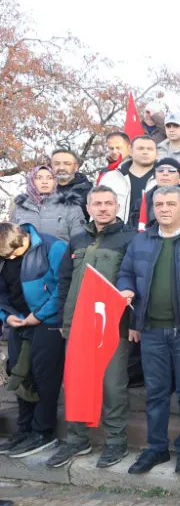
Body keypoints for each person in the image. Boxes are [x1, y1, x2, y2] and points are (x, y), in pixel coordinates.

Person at [116, 186, 180, 475]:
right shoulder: (140, 241)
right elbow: (126, 273)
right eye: (159, 204)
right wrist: (126, 289)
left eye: (171, 203)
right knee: (156, 393)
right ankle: (156, 449)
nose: (164, 208)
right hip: (151, 332)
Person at [46, 187, 136, 470]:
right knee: (76, 384)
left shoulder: (131, 239)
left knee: (113, 386)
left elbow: (133, 280)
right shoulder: (77, 240)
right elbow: (64, 282)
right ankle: (77, 439)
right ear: (88, 207)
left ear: (118, 206)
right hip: (78, 325)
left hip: (112, 326)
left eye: (109, 203)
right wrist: (64, 320)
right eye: (97, 203)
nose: (103, 208)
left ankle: (116, 441)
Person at [0, 222, 68, 458]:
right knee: (19, 375)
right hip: (18, 321)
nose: (10, 258)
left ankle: (43, 431)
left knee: (44, 377)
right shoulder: (4, 252)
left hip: (46, 321)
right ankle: (24, 429)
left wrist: (38, 315)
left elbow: (63, 288)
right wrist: (6, 316)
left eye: (13, 254)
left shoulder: (52, 247)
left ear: (24, 237)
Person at [10, 165, 86, 242]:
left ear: (55, 181)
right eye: (39, 178)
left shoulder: (70, 207)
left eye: (49, 178)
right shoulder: (19, 209)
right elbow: (11, 242)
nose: (45, 182)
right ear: (31, 181)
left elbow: (80, 243)